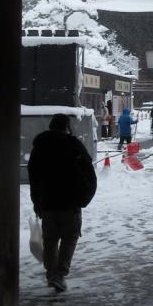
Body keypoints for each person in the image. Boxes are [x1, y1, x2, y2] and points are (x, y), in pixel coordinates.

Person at [28, 113, 97, 292]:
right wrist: (84, 198)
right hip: (70, 202)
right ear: (67, 126)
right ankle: (60, 273)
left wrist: (37, 201)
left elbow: (33, 177)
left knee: (50, 239)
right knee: (69, 237)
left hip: (47, 202)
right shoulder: (73, 145)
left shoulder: (39, 146)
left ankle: (52, 274)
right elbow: (89, 173)